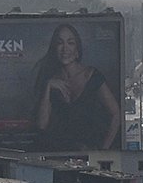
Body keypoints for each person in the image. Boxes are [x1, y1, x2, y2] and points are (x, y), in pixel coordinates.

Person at [31, 23, 121, 151]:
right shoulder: (50, 80)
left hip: (88, 154)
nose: (65, 48)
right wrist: (48, 87)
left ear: (77, 49)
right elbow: (41, 125)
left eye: (70, 43)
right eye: (60, 43)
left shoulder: (92, 76)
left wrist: (103, 151)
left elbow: (116, 114)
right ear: (54, 48)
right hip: (57, 154)